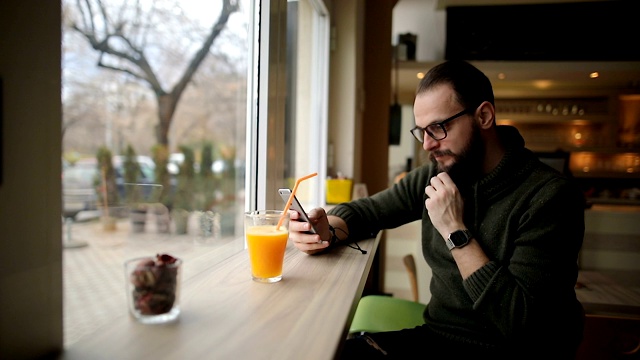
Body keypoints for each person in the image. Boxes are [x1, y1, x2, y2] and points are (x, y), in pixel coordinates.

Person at [288, 60, 586, 359]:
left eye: (439, 128)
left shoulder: (550, 196)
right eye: (422, 132)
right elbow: (368, 212)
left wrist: (455, 231)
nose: (427, 145)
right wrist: (325, 229)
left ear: (484, 116)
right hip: (437, 339)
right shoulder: (435, 176)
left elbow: (525, 325)